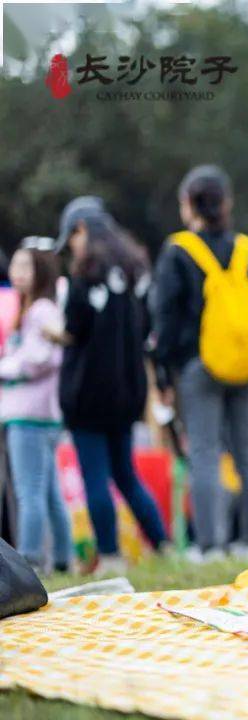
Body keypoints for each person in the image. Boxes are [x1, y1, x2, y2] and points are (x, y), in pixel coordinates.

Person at [151, 165, 248, 561]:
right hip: (246, 363)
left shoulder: (178, 250)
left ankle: (210, 544)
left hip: (198, 365)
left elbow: (164, 318)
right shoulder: (246, 249)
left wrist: (164, 371)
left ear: (188, 204)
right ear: (226, 203)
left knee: (204, 451)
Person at [56, 205, 168, 575]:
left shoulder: (85, 274)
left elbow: (74, 327)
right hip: (128, 390)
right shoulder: (137, 270)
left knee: (95, 476)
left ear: (82, 229)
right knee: (125, 474)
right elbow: (147, 327)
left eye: (71, 238)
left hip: (88, 393)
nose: (72, 248)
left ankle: (109, 554)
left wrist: (56, 334)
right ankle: (163, 545)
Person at [0, 243, 71, 574]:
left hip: (29, 415)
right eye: (15, 265)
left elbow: (41, 358)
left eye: (25, 266)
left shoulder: (42, 309)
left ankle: (30, 561)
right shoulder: (32, 308)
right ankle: (60, 559)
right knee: (48, 491)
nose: (17, 272)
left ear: (41, 271)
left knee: (29, 492)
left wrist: (6, 367)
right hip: (40, 414)